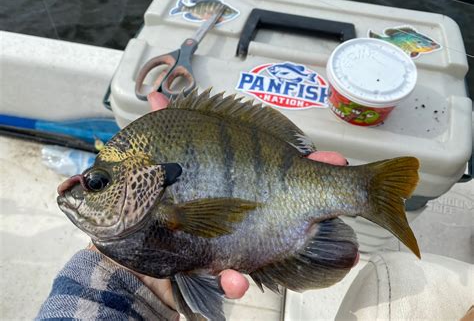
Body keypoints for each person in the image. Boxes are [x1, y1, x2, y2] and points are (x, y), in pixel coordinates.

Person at [37, 92, 348, 320]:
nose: (77, 190)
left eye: (98, 182)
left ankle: (365, 190)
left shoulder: (163, 211)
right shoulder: (140, 222)